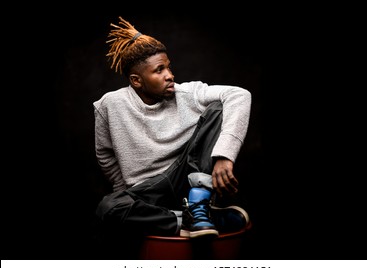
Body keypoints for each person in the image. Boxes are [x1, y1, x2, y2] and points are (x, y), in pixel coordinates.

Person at [93, 16, 252, 241]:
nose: (170, 75)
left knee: (218, 107)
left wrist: (224, 156)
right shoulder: (109, 105)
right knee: (108, 207)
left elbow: (239, 95)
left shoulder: (186, 93)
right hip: (147, 191)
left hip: (185, 180)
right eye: (159, 70)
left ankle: (198, 205)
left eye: (168, 66)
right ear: (136, 81)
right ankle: (186, 219)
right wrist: (126, 192)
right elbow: (105, 155)